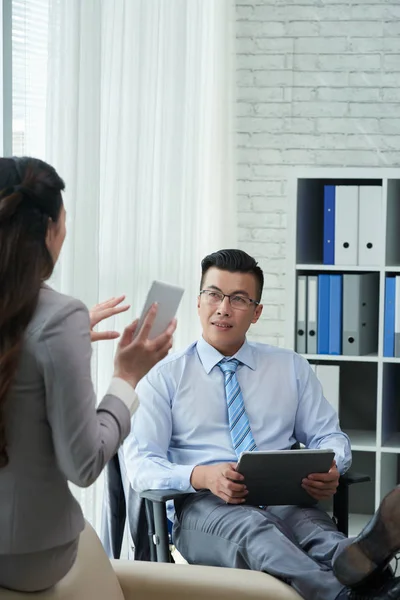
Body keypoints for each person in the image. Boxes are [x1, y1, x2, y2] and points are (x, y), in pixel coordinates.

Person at [124, 248, 400, 600]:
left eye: (238, 299)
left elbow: (330, 435)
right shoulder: (163, 377)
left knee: (318, 534)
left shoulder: (289, 367)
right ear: (198, 302)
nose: (223, 308)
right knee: (256, 529)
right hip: (202, 507)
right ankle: (352, 592)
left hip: (284, 498)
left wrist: (334, 464)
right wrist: (201, 476)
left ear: (256, 312)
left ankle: (370, 572)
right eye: (213, 294)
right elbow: (141, 466)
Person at [0, 156, 176, 592]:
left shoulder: (48, 323)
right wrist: (126, 377)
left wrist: (66, 341)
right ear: (50, 230)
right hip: (27, 557)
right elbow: (83, 464)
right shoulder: (58, 317)